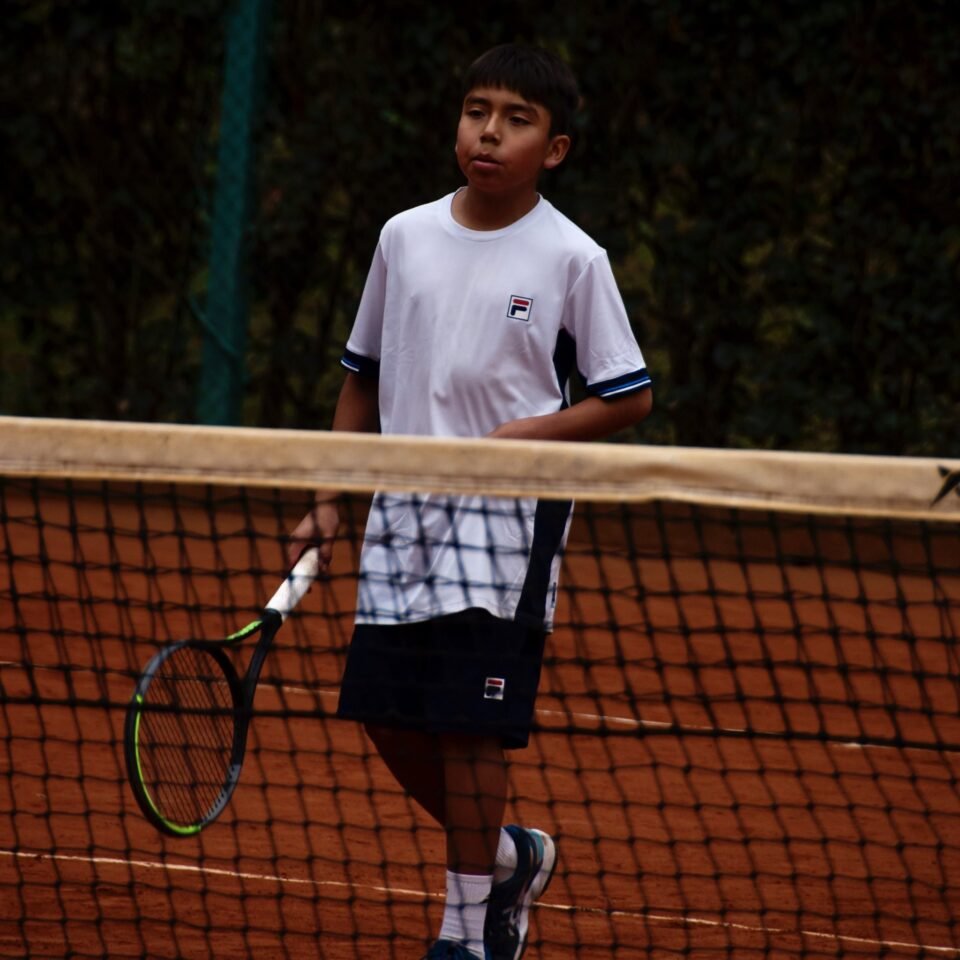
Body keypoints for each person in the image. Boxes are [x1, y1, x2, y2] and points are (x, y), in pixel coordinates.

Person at [288, 42, 653, 960]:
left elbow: (628, 395)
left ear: (554, 149)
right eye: (477, 111)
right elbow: (361, 380)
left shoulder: (574, 258)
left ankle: (467, 931)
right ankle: (508, 857)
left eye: (516, 120)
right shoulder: (403, 237)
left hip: (506, 523)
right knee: (384, 713)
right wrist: (329, 497)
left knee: (467, 724)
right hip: (401, 515)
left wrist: (528, 437)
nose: (489, 132)